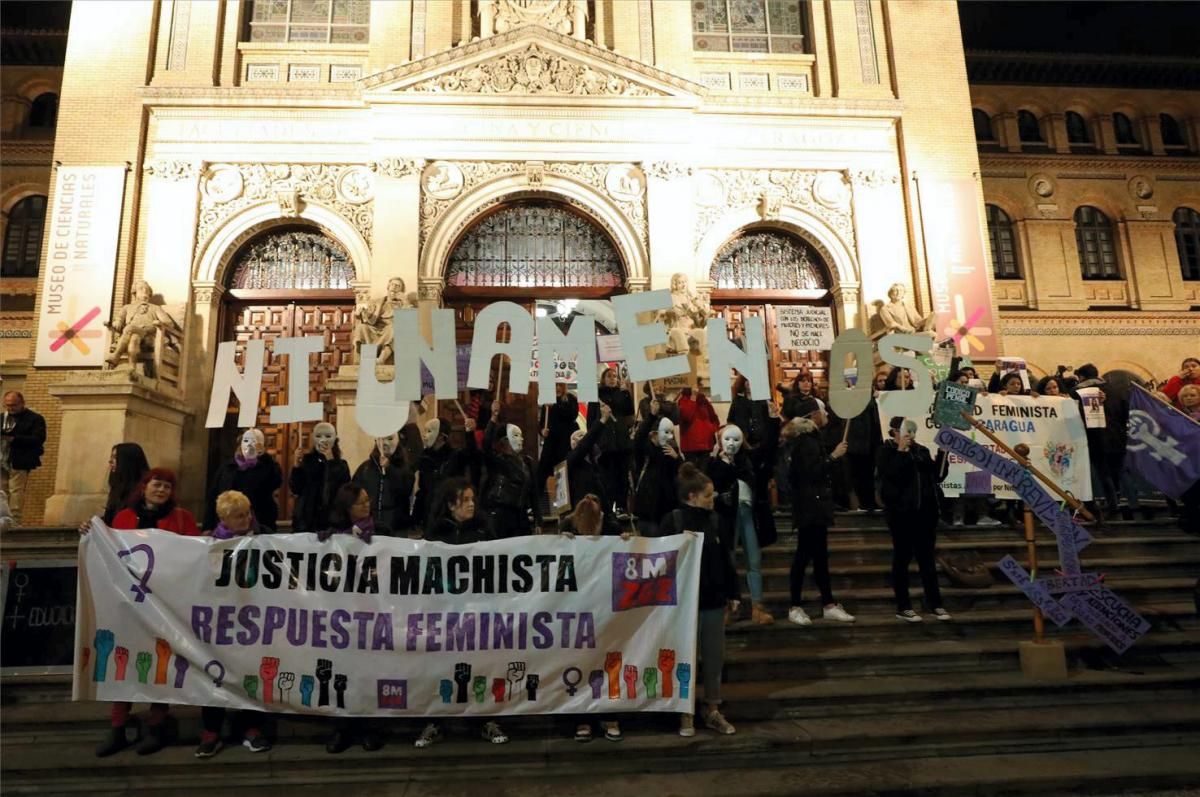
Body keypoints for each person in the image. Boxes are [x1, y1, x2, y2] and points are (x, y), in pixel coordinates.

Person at [90, 468, 198, 756]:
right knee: (122, 663)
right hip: (129, 605)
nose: (161, 490)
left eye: (166, 486)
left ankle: (157, 725)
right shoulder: (124, 517)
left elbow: (194, 552)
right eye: (156, 484)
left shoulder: (181, 519)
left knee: (160, 664)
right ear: (145, 486)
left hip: (164, 605)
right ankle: (118, 727)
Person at [415, 477, 509, 749]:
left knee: (478, 666)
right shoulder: (435, 534)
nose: (471, 504)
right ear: (450, 504)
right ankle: (437, 721)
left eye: (472, 499)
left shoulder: (483, 530)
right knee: (441, 668)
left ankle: (484, 720)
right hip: (444, 612)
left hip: (477, 611)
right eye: (464, 500)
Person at [659, 464, 739, 737]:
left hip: (713, 600)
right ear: (691, 496)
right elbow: (657, 559)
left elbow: (726, 560)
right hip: (683, 605)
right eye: (707, 495)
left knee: (714, 657)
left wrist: (734, 593)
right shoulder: (673, 521)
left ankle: (712, 708)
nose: (712, 498)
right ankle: (685, 710)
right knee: (684, 657)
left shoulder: (716, 522)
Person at [196, 490, 271, 757]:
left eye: (247, 513)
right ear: (223, 519)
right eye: (238, 516)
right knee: (214, 674)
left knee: (249, 672)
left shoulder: (265, 538)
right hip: (220, 619)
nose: (246, 519)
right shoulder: (208, 545)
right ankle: (211, 731)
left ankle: (251, 728)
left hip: (254, 619)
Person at [559, 494, 631, 742]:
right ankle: (583, 718)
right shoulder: (567, 527)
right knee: (581, 662)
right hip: (578, 608)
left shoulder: (611, 526)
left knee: (608, 661)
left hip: (605, 606)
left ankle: (609, 715)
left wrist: (625, 542)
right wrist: (560, 544)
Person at [779, 397, 856, 626]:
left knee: (819, 556)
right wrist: (833, 457)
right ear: (813, 415)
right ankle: (796, 605)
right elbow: (811, 473)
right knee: (805, 556)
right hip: (810, 507)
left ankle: (828, 603)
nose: (827, 415)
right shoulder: (806, 442)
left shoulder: (806, 439)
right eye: (823, 411)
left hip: (813, 506)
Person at [877, 417, 951, 623]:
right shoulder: (886, 451)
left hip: (925, 515)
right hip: (901, 514)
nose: (909, 435)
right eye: (904, 431)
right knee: (902, 559)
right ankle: (903, 605)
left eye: (911, 431)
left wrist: (944, 452)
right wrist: (901, 452)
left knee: (927, 559)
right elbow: (891, 475)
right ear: (894, 432)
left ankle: (935, 603)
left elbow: (938, 475)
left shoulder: (921, 451)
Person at [708, 416, 779, 625]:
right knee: (728, 562)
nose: (731, 444)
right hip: (727, 517)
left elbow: (768, 448)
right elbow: (713, 484)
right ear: (721, 440)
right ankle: (731, 605)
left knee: (753, 560)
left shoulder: (749, 460)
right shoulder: (714, 463)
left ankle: (757, 606)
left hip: (748, 514)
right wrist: (720, 462)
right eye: (727, 439)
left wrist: (773, 421)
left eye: (736, 440)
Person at [204, 429, 283, 533]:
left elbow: (276, 481)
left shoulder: (266, 466)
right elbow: (213, 496)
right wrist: (208, 526)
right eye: (246, 441)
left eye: (254, 442)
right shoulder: (227, 468)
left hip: (257, 526)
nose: (250, 445)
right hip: (227, 526)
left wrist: (264, 457)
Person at [481, 404, 539, 538]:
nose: (521, 439)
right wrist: (493, 418)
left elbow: (533, 493)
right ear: (505, 440)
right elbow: (486, 445)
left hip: (521, 517)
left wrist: (538, 521)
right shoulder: (497, 462)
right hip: (500, 517)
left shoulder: (527, 462)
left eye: (521, 435)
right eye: (516, 435)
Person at [586, 368, 636, 515]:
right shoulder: (596, 396)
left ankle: (622, 506)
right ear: (603, 378)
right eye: (609, 376)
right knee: (607, 478)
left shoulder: (622, 394)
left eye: (615, 376)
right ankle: (607, 507)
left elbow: (629, 415)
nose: (613, 378)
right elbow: (591, 421)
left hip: (621, 441)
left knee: (622, 476)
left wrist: (626, 394)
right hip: (605, 443)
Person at [413, 416, 478, 527]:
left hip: (449, 514)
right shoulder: (424, 458)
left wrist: (469, 433)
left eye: (429, 431)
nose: (425, 435)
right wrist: (416, 517)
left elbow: (472, 455)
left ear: (441, 436)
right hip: (429, 515)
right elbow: (423, 490)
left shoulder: (455, 456)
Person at [289, 422, 351, 534]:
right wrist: (296, 466)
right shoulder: (307, 461)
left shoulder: (341, 465)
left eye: (328, 436)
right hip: (307, 520)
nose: (323, 440)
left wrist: (330, 461)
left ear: (335, 439)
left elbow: (343, 489)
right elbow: (295, 488)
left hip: (331, 520)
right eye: (318, 436)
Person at [633, 409, 682, 537]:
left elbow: (680, 474)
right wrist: (651, 416)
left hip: (667, 510)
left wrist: (677, 459)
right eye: (666, 432)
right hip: (649, 512)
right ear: (654, 434)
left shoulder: (671, 453)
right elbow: (639, 438)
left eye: (672, 433)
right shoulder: (646, 452)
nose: (670, 437)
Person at [352, 432, 414, 533]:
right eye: (382, 439)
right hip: (369, 527)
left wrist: (390, 469)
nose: (385, 443)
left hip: (396, 528)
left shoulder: (404, 468)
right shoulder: (365, 468)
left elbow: (405, 491)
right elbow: (353, 494)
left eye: (390, 439)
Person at [1, 391, 46, 524]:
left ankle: (14, 520)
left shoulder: (34, 418)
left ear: (22, 403)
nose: (10, 408)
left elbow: (39, 439)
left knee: (16, 490)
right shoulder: (2, 417)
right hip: (2, 457)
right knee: (1, 491)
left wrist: (14, 439)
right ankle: (1, 518)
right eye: (7, 405)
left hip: (20, 459)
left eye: (14, 405)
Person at [537, 383, 580, 502]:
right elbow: (542, 423)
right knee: (542, 471)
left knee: (565, 471)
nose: (557, 388)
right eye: (555, 385)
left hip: (565, 442)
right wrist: (542, 431)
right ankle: (536, 503)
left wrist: (554, 405)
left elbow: (571, 415)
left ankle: (567, 501)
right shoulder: (547, 403)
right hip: (551, 442)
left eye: (559, 385)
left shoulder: (570, 399)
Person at [103, 443, 150, 525]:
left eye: (115, 457)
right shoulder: (118, 486)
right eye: (111, 457)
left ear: (129, 461)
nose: (110, 461)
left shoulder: (145, 490)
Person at [677, 387, 719, 466]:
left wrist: (711, 430)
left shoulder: (703, 400)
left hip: (705, 446)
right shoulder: (683, 400)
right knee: (691, 475)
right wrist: (693, 397)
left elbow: (714, 418)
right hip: (690, 446)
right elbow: (686, 416)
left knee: (703, 474)